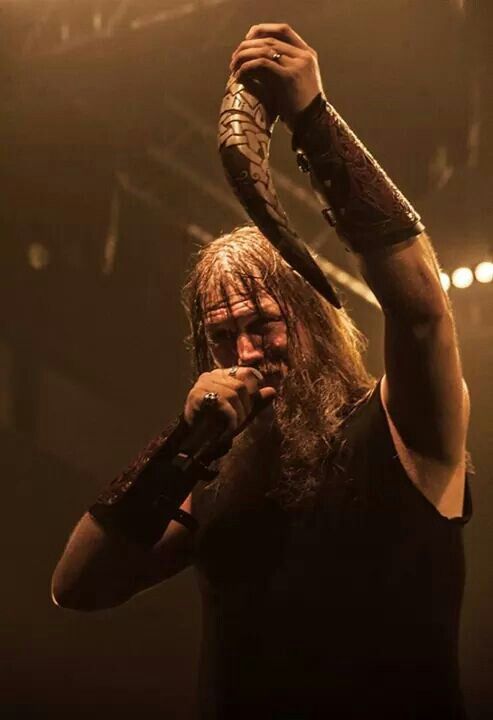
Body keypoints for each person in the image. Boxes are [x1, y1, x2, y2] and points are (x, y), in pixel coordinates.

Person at [52, 23, 471, 720]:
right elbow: (78, 585)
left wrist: (311, 120)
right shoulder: (215, 477)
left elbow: (423, 312)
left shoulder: (401, 426)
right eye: (220, 338)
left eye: (260, 323)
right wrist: (184, 444)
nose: (243, 351)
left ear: (309, 318)